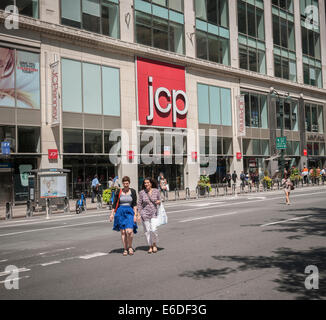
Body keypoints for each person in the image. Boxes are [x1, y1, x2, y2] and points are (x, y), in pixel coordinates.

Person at [109, 176, 139, 256]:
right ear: (122, 183)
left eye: (127, 183)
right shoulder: (119, 191)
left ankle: (130, 247)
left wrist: (135, 215)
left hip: (129, 212)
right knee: (123, 232)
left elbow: (135, 204)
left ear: (129, 183)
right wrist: (112, 214)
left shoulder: (132, 191)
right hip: (120, 212)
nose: (126, 185)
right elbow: (115, 204)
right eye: (124, 183)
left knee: (129, 231)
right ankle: (125, 249)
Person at [137, 177, 161, 254]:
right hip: (145, 213)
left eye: (148, 182)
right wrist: (139, 214)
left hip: (154, 213)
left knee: (153, 229)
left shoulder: (156, 191)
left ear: (151, 183)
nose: (146, 184)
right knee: (147, 231)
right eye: (145, 183)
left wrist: (159, 202)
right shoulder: (141, 192)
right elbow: (139, 204)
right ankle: (150, 246)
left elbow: (160, 199)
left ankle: (154, 244)